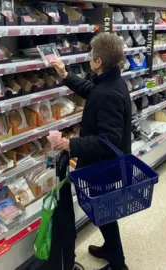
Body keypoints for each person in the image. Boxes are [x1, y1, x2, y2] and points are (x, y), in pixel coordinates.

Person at [50, 32, 131, 270]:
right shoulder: (110, 82)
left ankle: (118, 264)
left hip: (102, 166)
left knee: (102, 209)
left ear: (98, 62)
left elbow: (109, 139)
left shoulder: (109, 92)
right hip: (104, 164)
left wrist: (70, 144)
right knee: (103, 208)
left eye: (91, 55)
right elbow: (93, 93)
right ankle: (111, 250)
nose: (89, 57)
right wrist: (66, 76)